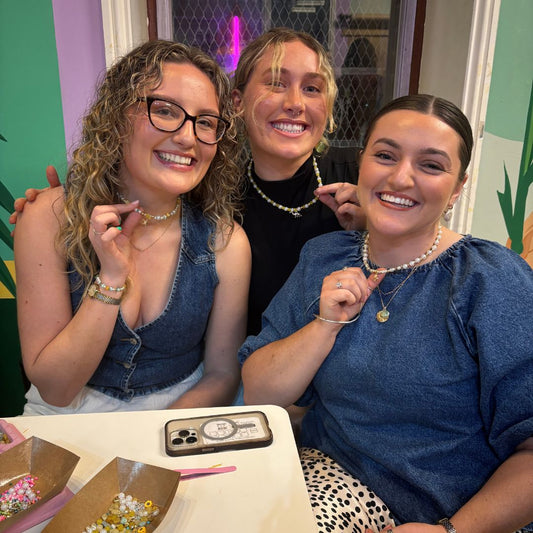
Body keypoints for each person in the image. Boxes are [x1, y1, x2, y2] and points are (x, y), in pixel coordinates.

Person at [239, 94, 533, 532]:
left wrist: (452, 531)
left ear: (457, 187)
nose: (400, 177)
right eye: (385, 155)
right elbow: (260, 391)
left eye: (431, 165)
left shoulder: (490, 280)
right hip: (331, 482)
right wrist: (325, 325)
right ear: (362, 163)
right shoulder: (324, 256)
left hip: (460, 512)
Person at [13, 28, 365, 338]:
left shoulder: (366, 178)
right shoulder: (213, 193)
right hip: (256, 379)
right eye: (276, 83)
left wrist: (376, 230)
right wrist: (60, 207)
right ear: (237, 103)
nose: (295, 103)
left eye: (312, 88)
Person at [14, 40, 251, 415]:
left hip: (180, 412)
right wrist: (110, 279)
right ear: (116, 116)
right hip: (67, 413)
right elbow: (56, 389)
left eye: (206, 122)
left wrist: (156, 434)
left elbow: (222, 375)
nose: (187, 137)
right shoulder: (48, 217)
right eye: (165, 111)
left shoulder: (226, 242)